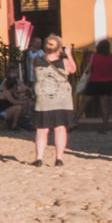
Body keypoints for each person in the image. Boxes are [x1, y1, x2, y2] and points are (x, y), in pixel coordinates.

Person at [31, 34, 76, 167]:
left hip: (43, 99)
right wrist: (68, 54)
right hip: (61, 100)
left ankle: (39, 157)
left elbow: (35, 75)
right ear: (58, 48)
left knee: (41, 129)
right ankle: (59, 158)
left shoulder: (37, 61)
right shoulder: (64, 62)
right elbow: (72, 70)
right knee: (60, 128)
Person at [76, 39, 112, 130]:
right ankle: (105, 126)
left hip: (94, 82)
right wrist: (109, 71)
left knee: (84, 103)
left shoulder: (93, 57)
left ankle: (74, 122)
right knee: (104, 105)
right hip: (107, 83)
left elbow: (88, 70)